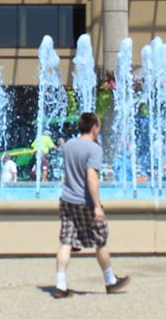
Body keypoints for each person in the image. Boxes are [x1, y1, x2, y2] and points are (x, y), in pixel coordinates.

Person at [53, 112, 129, 299]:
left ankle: (60, 285)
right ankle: (110, 281)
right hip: (85, 201)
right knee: (100, 240)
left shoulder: (69, 145)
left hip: (67, 199)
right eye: (99, 125)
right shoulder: (94, 149)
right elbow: (91, 177)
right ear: (94, 127)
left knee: (66, 242)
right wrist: (97, 206)